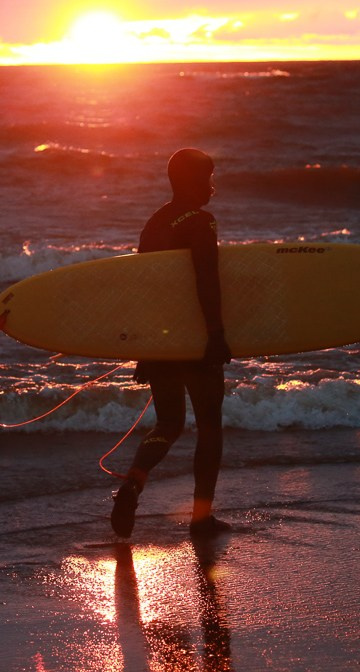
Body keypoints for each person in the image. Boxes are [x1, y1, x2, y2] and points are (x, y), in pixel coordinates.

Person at [110, 148, 232, 539]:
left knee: (168, 423)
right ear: (193, 182)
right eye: (208, 178)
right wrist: (216, 335)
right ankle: (201, 518)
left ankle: (134, 481)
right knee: (209, 427)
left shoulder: (155, 222)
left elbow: (145, 287)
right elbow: (206, 279)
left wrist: (146, 348)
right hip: (195, 339)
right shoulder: (202, 221)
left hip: (162, 340)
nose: (212, 186)